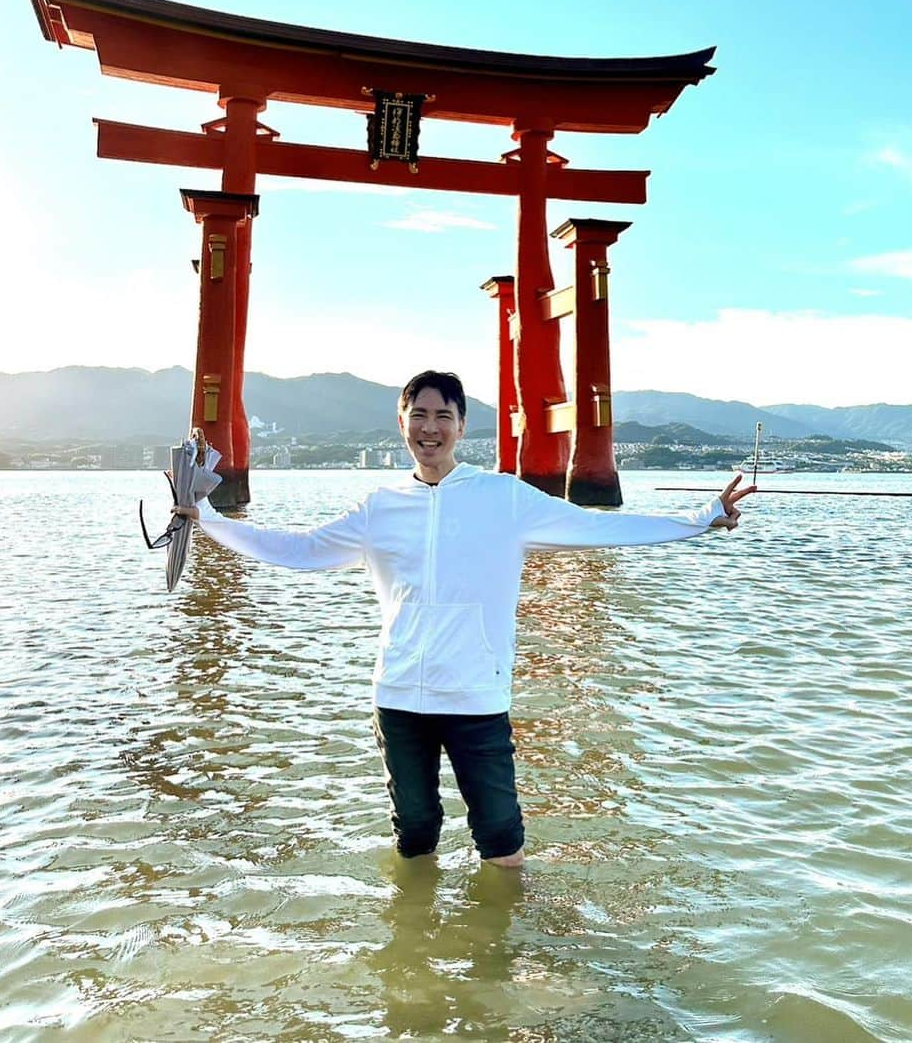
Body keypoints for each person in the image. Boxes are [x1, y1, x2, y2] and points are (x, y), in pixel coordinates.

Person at [173, 369, 755, 869]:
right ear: (401, 422)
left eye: (443, 416)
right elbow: (299, 550)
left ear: (461, 425)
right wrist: (207, 521)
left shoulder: (503, 497)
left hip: (476, 696)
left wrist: (700, 518)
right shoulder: (379, 506)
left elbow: (600, 528)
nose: (430, 427)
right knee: (416, 835)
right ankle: (418, 958)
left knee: (501, 840)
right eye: (419, 414)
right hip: (399, 696)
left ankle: (509, 956)